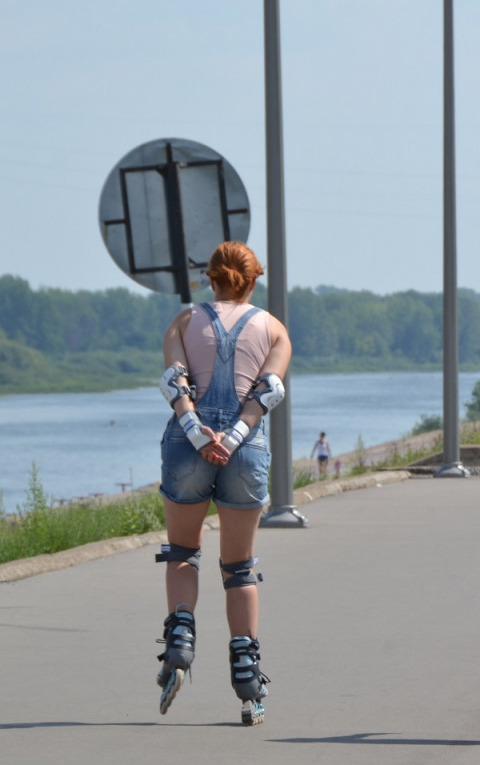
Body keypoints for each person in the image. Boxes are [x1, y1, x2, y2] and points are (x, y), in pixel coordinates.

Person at [155, 241, 292, 725]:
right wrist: (231, 439)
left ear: (208, 279)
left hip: (188, 445)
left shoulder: (183, 322)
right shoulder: (274, 329)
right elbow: (267, 392)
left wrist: (198, 434)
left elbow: (175, 382)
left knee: (182, 553)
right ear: (253, 281)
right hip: (244, 449)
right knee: (238, 568)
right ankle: (249, 682)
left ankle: (180, 642)